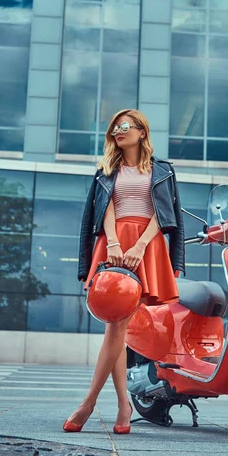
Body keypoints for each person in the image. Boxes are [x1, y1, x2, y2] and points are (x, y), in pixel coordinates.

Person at [63, 109, 185, 434]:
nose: (119, 131)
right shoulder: (106, 170)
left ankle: (91, 403)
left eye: (125, 126)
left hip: (147, 246)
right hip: (113, 245)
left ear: (142, 132)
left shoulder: (162, 170)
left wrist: (141, 245)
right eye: (115, 127)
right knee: (118, 327)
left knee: (118, 328)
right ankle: (120, 405)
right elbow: (102, 210)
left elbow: (165, 213)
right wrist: (115, 242)